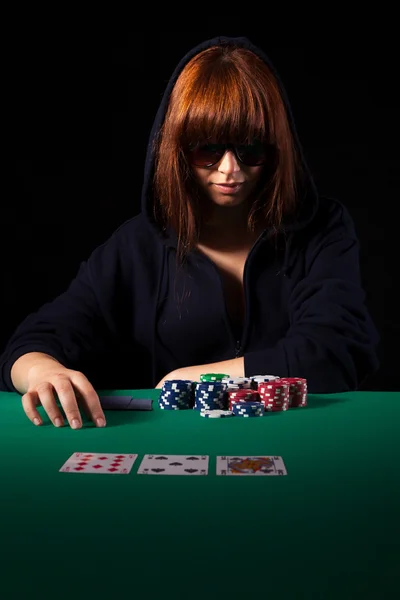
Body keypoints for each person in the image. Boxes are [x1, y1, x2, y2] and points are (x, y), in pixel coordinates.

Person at [0, 36, 380, 429]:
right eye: (208, 150)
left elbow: (335, 352)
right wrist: (41, 371)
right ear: (178, 150)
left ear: (276, 148)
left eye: (251, 149)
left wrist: (190, 377)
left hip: (303, 446)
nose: (230, 170)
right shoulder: (137, 246)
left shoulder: (322, 229)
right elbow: (31, 343)